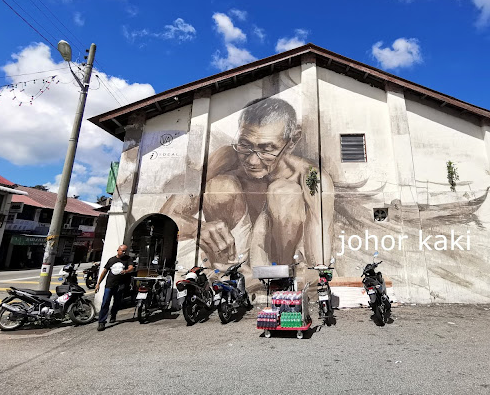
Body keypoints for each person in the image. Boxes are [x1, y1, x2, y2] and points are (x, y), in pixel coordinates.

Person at [163, 97, 334, 269]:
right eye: (245, 145)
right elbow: (165, 219)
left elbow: (319, 254)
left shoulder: (311, 177)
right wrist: (196, 228)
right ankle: (225, 269)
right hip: (233, 256)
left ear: (292, 142)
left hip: (280, 260)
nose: (252, 161)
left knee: (284, 193)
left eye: (267, 149)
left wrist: (316, 272)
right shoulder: (226, 159)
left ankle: (281, 278)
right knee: (220, 187)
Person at [95, 244, 134, 331]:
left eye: (125, 251)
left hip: (120, 285)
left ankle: (113, 315)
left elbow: (131, 267)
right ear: (118, 250)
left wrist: (126, 271)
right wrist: (98, 283)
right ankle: (101, 322)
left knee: (117, 302)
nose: (123, 252)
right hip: (109, 284)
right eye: (122, 250)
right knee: (105, 302)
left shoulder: (128, 259)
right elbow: (104, 271)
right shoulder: (112, 260)